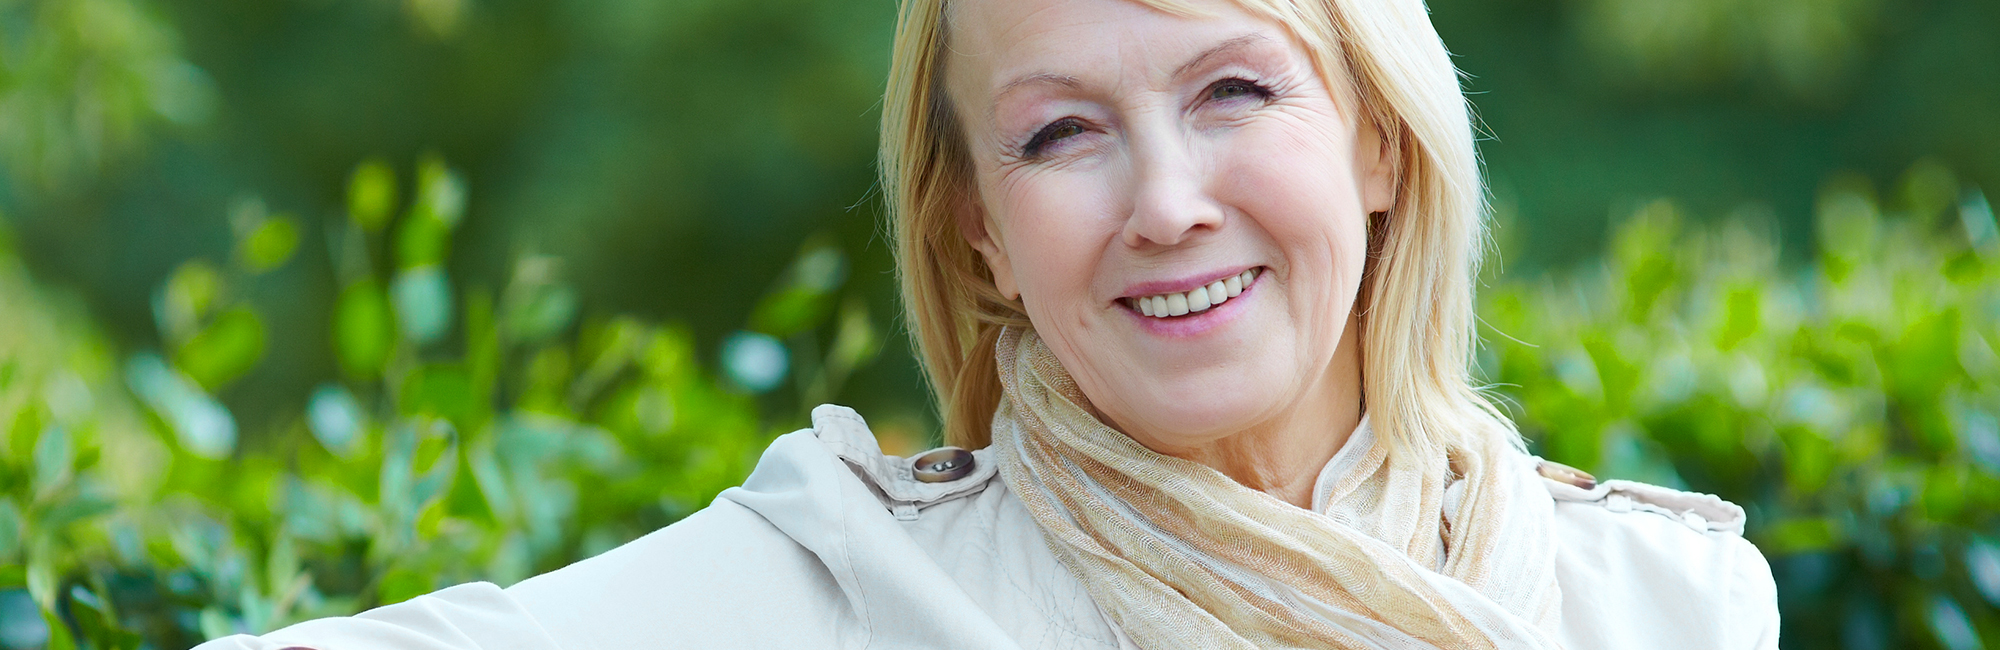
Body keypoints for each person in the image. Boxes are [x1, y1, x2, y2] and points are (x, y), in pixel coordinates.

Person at [199, 0, 1779, 647]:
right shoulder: (845, 585)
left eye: (1233, 90)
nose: (1165, 200)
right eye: (1060, 136)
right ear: (979, 232)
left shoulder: (1667, 601)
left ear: (1378, 136)